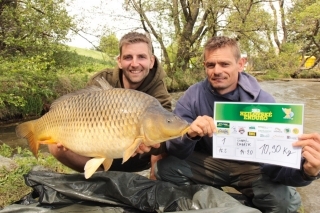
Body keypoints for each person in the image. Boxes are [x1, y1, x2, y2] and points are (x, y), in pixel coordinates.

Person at [154, 36, 320, 213]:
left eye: (224, 64)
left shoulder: (265, 102)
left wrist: (307, 172)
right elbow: (174, 148)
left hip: (251, 168)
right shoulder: (192, 96)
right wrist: (189, 135)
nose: (216, 71)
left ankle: (231, 205)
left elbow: (277, 167)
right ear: (205, 66)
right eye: (211, 65)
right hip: (210, 163)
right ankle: (218, 203)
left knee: (284, 205)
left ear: (240, 64)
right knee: (164, 169)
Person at [48, 31, 170, 173]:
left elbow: (167, 131)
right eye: (128, 57)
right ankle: (102, 177)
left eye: (141, 57)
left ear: (151, 61)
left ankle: (153, 188)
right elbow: (79, 113)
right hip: (102, 144)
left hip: (139, 156)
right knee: (54, 146)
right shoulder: (102, 80)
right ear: (119, 61)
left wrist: (154, 146)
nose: (135, 64)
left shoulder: (158, 89)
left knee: (163, 141)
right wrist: (68, 137)